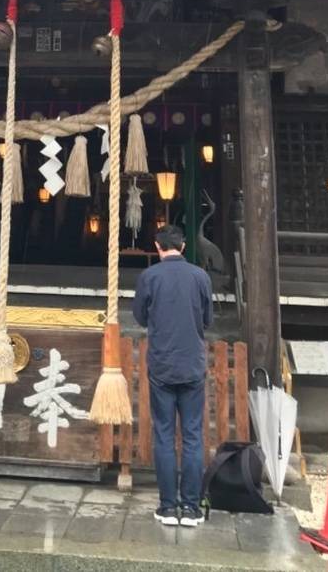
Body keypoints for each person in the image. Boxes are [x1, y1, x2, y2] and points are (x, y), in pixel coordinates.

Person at [133, 224, 213, 529]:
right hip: (193, 364)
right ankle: (191, 508)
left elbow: (140, 316)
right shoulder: (200, 277)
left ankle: (167, 506)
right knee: (192, 436)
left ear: (157, 247)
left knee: (164, 435)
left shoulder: (149, 277)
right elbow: (207, 318)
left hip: (162, 365)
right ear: (182, 247)